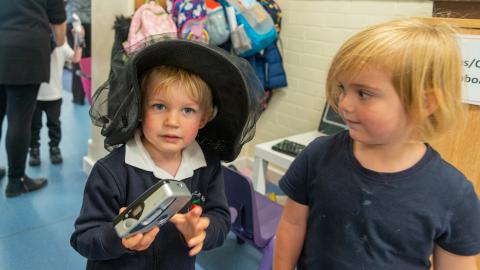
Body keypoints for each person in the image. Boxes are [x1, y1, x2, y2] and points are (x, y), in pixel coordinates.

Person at [273, 18, 480, 270]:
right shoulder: (318, 155)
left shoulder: (453, 193)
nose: (344, 104)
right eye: (343, 88)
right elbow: (293, 223)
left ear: (425, 103)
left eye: (364, 93)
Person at [70, 37, 264, 270]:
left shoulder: (206, 167)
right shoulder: (111, 172)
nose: (172, 121)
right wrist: (118, 236)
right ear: (139, 109)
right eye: (159, 106)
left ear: (204, 118)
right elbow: (83, 238)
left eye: (188, 110)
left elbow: (220, 218)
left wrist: (203, 228)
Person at [0, 0, 66, 197]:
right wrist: (59, 41)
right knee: (19, 120)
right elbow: (59, 24)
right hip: (26, 50)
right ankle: (16, 180)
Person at [28, 34, 83, 166]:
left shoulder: (61, 44)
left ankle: (54, 149)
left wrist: (79, 39)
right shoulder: (32, 41)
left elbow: (76, 58)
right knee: (34, 126)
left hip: (54, 95)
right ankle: (34, 150)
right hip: (34, 94)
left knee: (54, 125)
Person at [66, 0, 91, 105]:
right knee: (86, 60)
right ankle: (87, 94)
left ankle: (78, 96)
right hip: (88, 20)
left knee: (78, 61)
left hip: (72, 19)